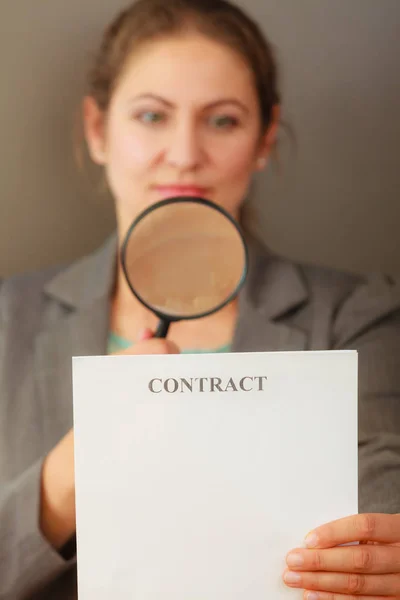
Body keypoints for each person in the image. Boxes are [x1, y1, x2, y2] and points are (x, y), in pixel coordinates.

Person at [0, 0, 399, 598]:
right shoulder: (8, 319)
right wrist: (62, 484)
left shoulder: (357, 315)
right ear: (97, 129)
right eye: (152, 116)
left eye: (222, 121)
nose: (185, 154)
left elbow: (382, 506)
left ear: (264, 138)